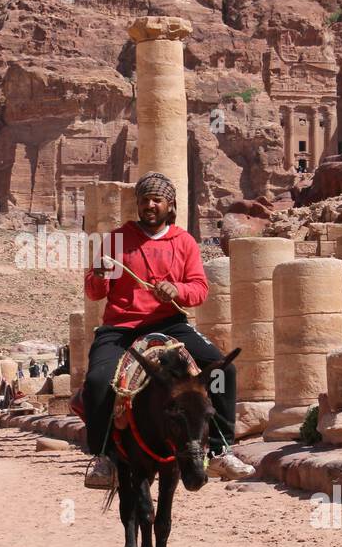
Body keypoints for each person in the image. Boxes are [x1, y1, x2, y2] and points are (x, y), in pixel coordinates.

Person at [82, 171, 253, 487]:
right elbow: (94, 292)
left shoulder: (184, 241)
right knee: (96, 381)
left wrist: (177, 290)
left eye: (156, 200)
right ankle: (104, 457)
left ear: (170, 205)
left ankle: (219, 449)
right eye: (144, 199)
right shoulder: (115, 240)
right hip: (121, 327)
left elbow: (199, 290)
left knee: (221, 371)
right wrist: (100, 275)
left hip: (171, 324)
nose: (149, 205)